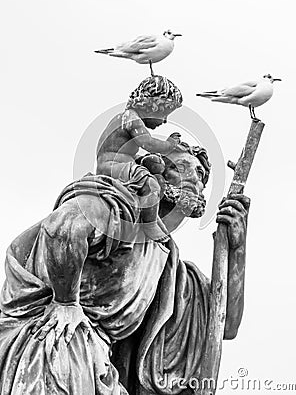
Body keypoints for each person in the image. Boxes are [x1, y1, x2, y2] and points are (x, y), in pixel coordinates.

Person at [0, 141, 250, 394]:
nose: (195, 180)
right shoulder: (120, 206)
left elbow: (224, 324)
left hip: (97, 366)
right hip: (57, 349)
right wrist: (66, 304)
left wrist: (237, 249)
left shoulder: (168, 265)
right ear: (155, 171)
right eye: (181, 166)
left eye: (200, 175)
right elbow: (62, 228)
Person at [96, 75, 183, 243]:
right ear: (152, 106)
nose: (165, 121)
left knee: (155, 169)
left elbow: (128, 149)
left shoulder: (128, 116)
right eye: (164, 114)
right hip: (112, 164)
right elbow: (147, 142)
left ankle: (148, 212)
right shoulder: (131, 118)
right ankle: (149, 225)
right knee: (151, 184)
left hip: (123, 160)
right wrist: (169, 145)